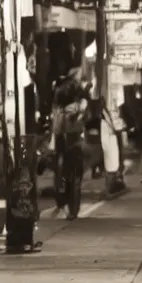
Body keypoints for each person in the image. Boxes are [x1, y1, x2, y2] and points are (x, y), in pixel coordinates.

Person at [51, 67, 90, 220]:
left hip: (63, 142)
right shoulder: (78, 106)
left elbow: (57, 131)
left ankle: (66, 205)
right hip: (74, 142)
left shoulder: (59, 111)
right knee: (75, 178)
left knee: (63, 175)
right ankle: (73, 209)